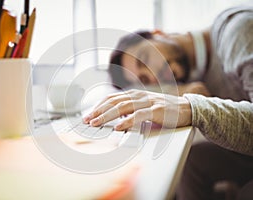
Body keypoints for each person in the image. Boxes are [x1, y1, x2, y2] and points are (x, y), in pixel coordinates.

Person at [84, 5, 253, 200]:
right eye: (145, 80)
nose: (155, 76)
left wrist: (194, 108)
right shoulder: (195, 74)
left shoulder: (237, 33)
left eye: (145, 60)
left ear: (159, 33)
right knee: (190, 163)